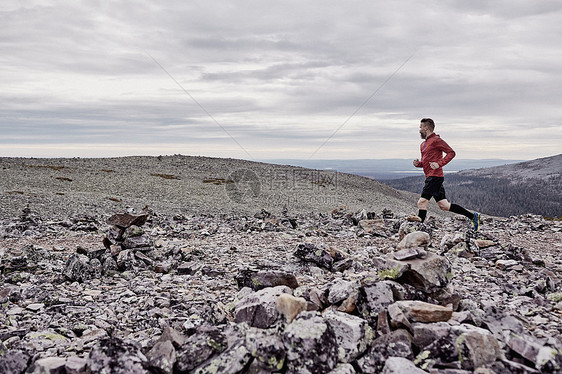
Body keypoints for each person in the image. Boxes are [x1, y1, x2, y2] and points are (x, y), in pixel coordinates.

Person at [412, 118, 480, 230]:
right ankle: (473, 217)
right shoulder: (423, 144)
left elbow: (451, 153)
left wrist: (439, 164)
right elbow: (426, 162)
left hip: (435, 177)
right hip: (432, 176)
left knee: (422, 203)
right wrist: (418, 164)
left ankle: (417, 230)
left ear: (426, 128)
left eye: (420, 127)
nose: (419, 130)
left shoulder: (436, 140)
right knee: (444, 206)